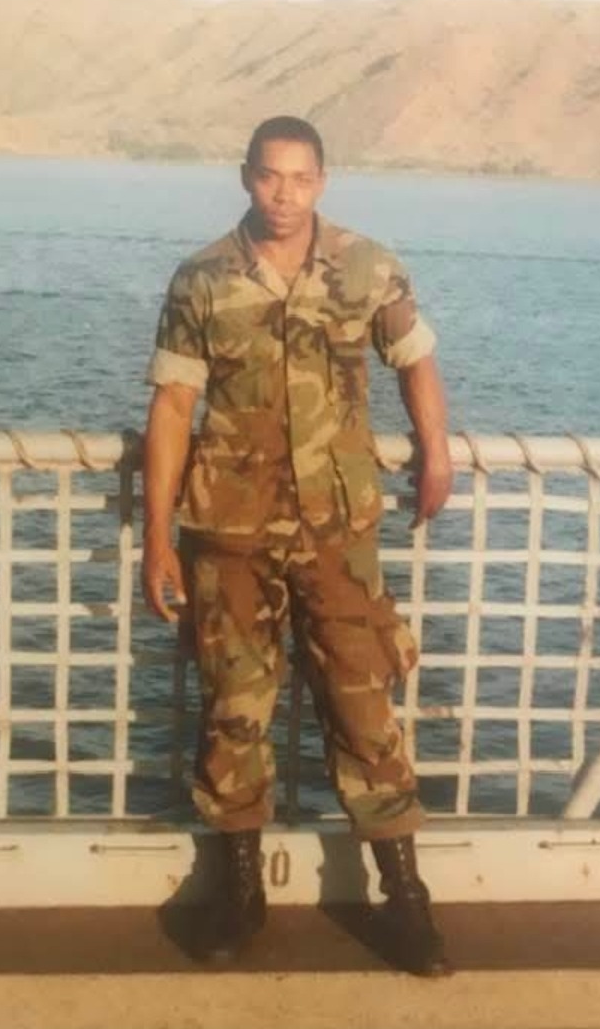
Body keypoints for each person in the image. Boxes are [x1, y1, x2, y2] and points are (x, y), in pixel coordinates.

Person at [139, 114, 454, 977]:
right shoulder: (201, 279)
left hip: (337, 531)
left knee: (363, 709)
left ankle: (406, 901)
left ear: (322, 181)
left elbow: (415, 359)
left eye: (300, 178)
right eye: (270, 176)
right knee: (234, 709)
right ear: (246, 176)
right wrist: (158, 537)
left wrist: (436, 450)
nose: (284, 194)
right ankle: (238, 895)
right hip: (230, 531)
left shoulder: (366, 266)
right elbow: (172, 406)